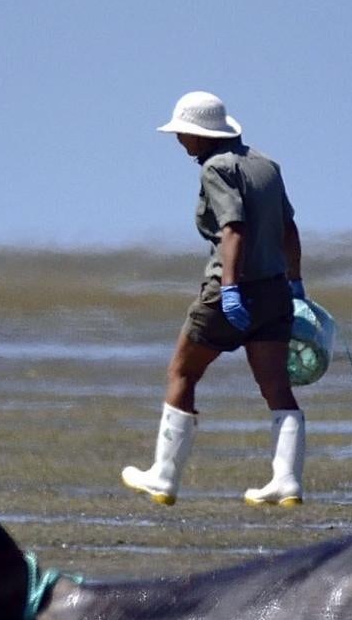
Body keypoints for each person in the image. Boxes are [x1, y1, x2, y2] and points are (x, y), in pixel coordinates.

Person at [120, 90, 309, 507]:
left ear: (202, 135)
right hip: (274, 290)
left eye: (183, 133)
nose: (179, 140)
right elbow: (289, 229)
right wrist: (294, 283)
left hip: (232, 289)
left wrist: (228, 288)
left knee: (181, 372)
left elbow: (233, 230)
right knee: (276, 384)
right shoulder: (267, 166)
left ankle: (164, 477)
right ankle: (287, 480)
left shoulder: (216, 169)